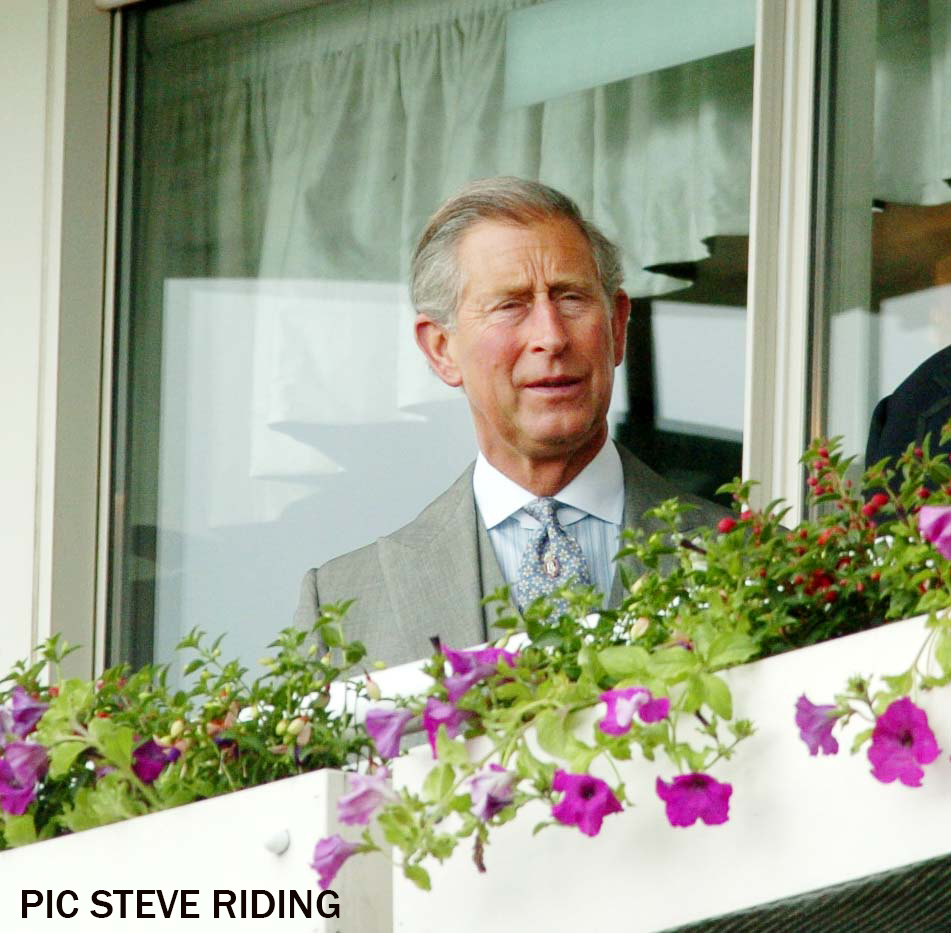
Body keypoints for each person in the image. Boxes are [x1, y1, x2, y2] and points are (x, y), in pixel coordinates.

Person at [294, 177, 726, 665]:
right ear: (441, 350)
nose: (551, 337)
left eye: (570, 298)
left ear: (617, 325)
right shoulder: (341, 608)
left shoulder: (746, 559)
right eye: (510, 305)